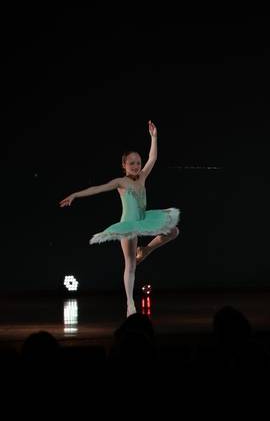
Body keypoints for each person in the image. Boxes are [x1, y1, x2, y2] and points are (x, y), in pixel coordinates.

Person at [60, 121, 180, 316]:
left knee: (173, 231)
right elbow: (97, 188)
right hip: (128, 224)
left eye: (138, 163)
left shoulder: (142, 177)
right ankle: (130, 304)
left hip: (144, 219)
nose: (136, 166)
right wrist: (75, 195)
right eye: (131, 163)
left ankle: (146, 250)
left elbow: (153, 157)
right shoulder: (121, 182)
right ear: (124, 166)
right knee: (130, 264)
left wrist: (154, 137)